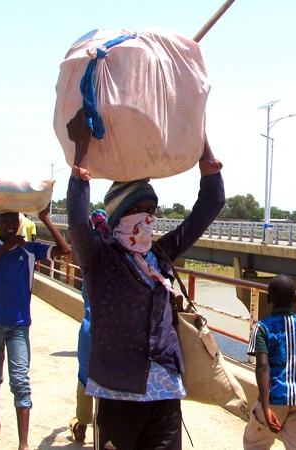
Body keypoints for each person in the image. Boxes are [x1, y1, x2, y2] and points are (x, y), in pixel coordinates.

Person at [66, 108, 225, 450]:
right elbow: (78, 223)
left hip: (165, 393)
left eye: (152, 212)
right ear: (119, 218)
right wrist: (81, 150)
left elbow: (211, 204)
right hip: (117, 392)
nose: (149, 220)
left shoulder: (162, 254)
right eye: (141, 211)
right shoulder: (101, 259)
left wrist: (202, 144)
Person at [0, 206, 70, 450]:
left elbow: (65, 251)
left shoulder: (30, 249)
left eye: (14, 219)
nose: (11, 224)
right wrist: (6, 247)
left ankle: (23, 443)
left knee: (21, 381)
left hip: (19, 325)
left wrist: (45, 217)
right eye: (5, 220)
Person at [243, 274, 296, 450]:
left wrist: (266, 407)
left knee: (254, 444)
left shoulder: (262, 328)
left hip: (273, 399)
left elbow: (262, 367)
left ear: (268, 299)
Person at [68, 209, 109, 443]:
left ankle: (82, 424)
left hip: (89, 330)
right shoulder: (118, 263)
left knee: (85, 378)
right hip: (112, 332)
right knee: (109, 381)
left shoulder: (88, 267)